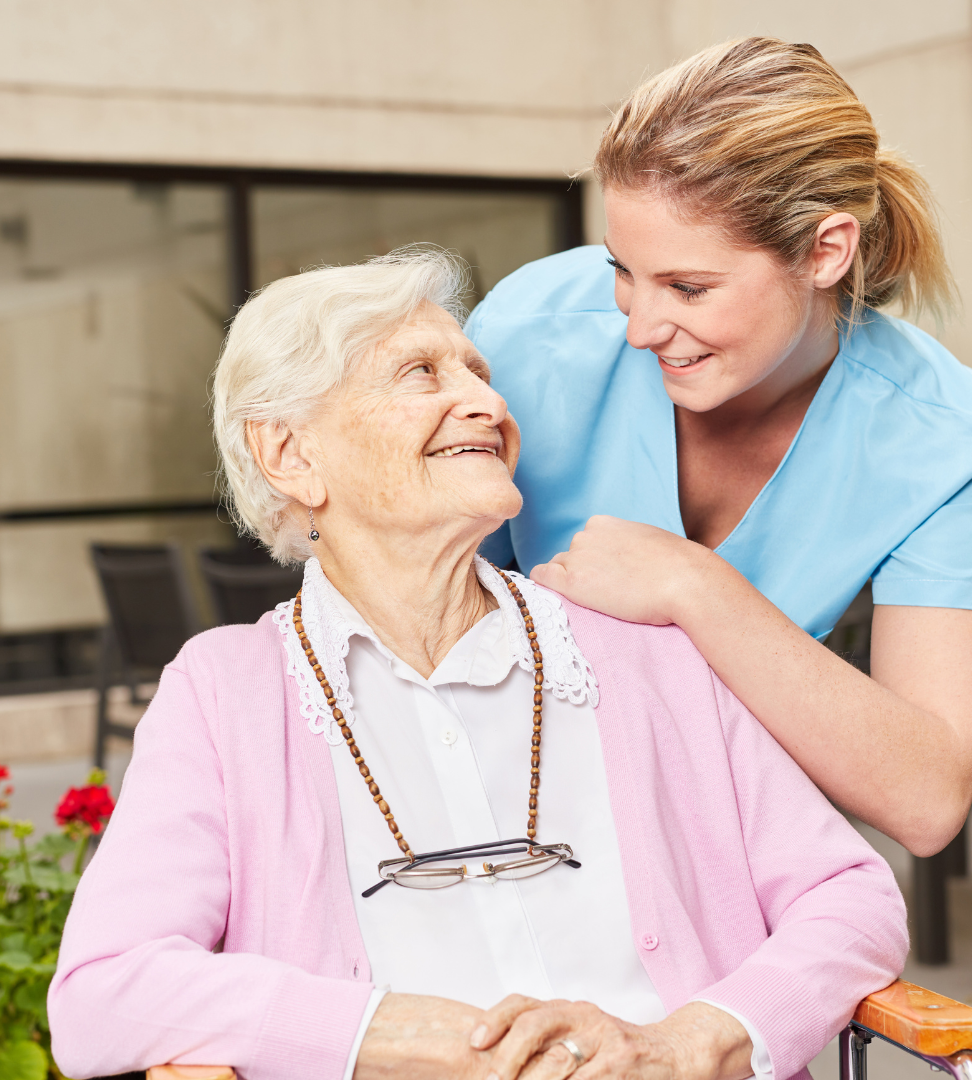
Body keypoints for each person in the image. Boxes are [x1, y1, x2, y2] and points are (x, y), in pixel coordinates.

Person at [47, 252, 906, 1080]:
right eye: (422, 373)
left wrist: (692, 1044)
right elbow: (101, 993)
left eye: (478, 370)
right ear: (291, 455)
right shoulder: (225, 693)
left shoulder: (643, 649)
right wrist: (387, 1033)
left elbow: (850, 898)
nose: (486, 401)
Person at [466, 37, 972, 858]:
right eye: (622, 270)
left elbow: (928, 796)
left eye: (689, 287)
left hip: (722, 843)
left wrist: (694, 586)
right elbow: (418, 614)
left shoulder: (941, 435)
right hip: (497, 817)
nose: (641, 328)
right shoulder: (530, 334)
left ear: (827, 250)